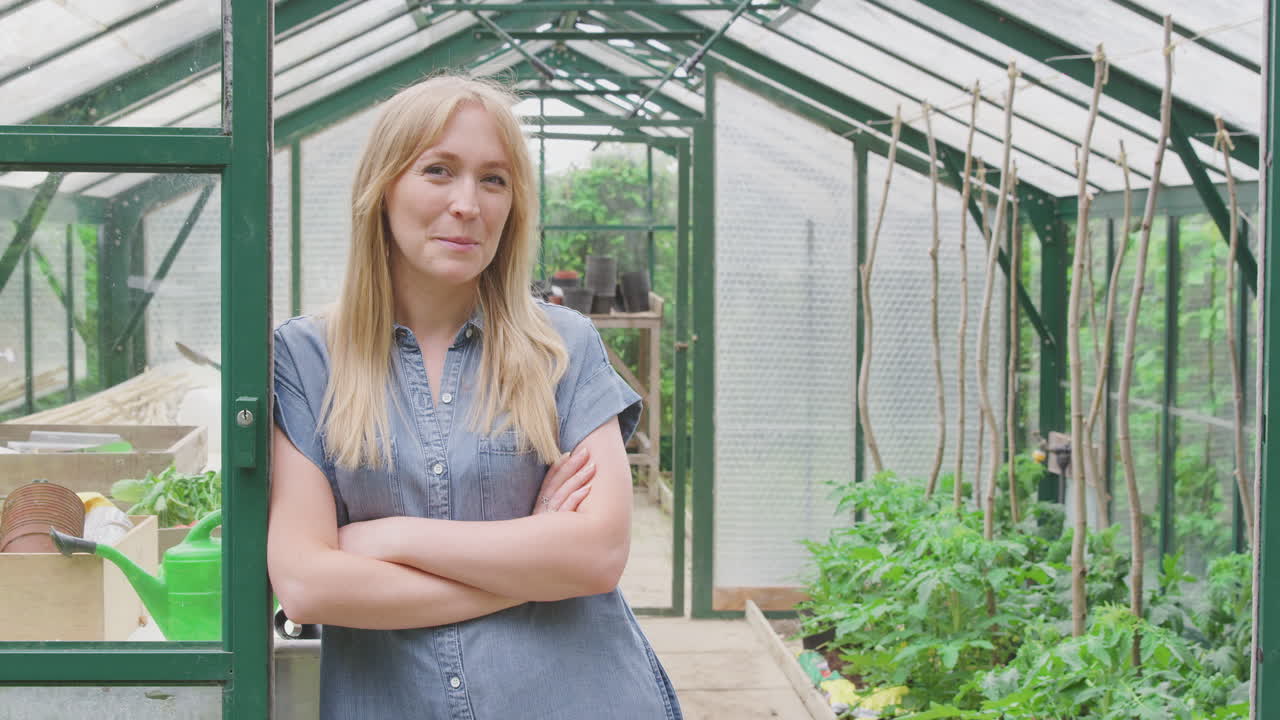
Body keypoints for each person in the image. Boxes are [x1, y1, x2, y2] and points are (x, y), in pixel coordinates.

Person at [268, 73, 683, 719]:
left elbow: (596, 556)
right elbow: (308, 586)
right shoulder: (304, 359)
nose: (469, 203)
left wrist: (384, 536)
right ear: (381, 188)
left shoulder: (562, 346)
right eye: (438, 170)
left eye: (494, 179)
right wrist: (533, 567)